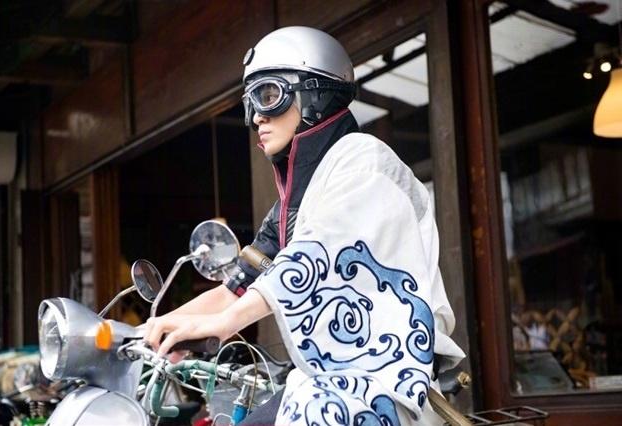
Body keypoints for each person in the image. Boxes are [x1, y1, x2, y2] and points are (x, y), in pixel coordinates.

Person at [144, 26, 465, 425]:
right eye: (249, 103)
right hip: (331, 379)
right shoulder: (294, 203)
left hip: (387, 377)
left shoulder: (364, 161)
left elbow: (314, 254)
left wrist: (224, 325)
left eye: (268, 95)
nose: (256, 116)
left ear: (314, 96)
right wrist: (154, 327)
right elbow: (239, 286)